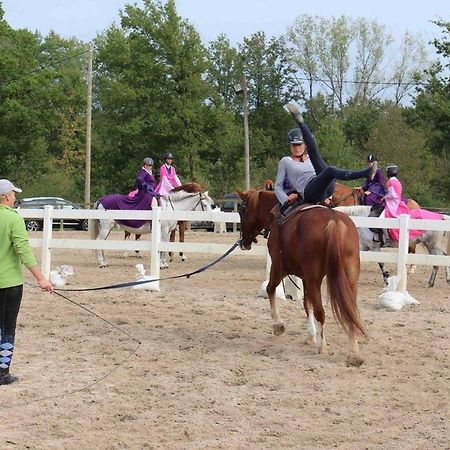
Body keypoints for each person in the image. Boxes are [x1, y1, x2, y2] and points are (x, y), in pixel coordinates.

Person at [275, 104, 378, 211]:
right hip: (309, 191)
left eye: (299, 144)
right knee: (330, 170)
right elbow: (278, 186)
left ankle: (301, 122)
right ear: (290, 146)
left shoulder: (310, 158)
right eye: (293, 145)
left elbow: (320, 170)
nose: (296, 148)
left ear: (305, 145)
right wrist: (286, 200)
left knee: (318, 157)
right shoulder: (285, 161)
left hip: (326, 187)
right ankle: (365, 173)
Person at [0, 179, 53, 385]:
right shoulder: (14, 219)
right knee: (7, 327)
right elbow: (23, 251)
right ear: (6, 197)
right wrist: (40, 278)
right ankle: (3, 371)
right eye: (13, 194)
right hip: (9, 283)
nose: (15, 197)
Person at [383, 165, 443, 242]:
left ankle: (388, 238)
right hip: (398, 201)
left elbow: (392, 194)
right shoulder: (397, 181)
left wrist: (385, 197)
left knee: (384, 217)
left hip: (393, 204)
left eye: (387, 172)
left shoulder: (390, 181)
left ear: (389, 173)